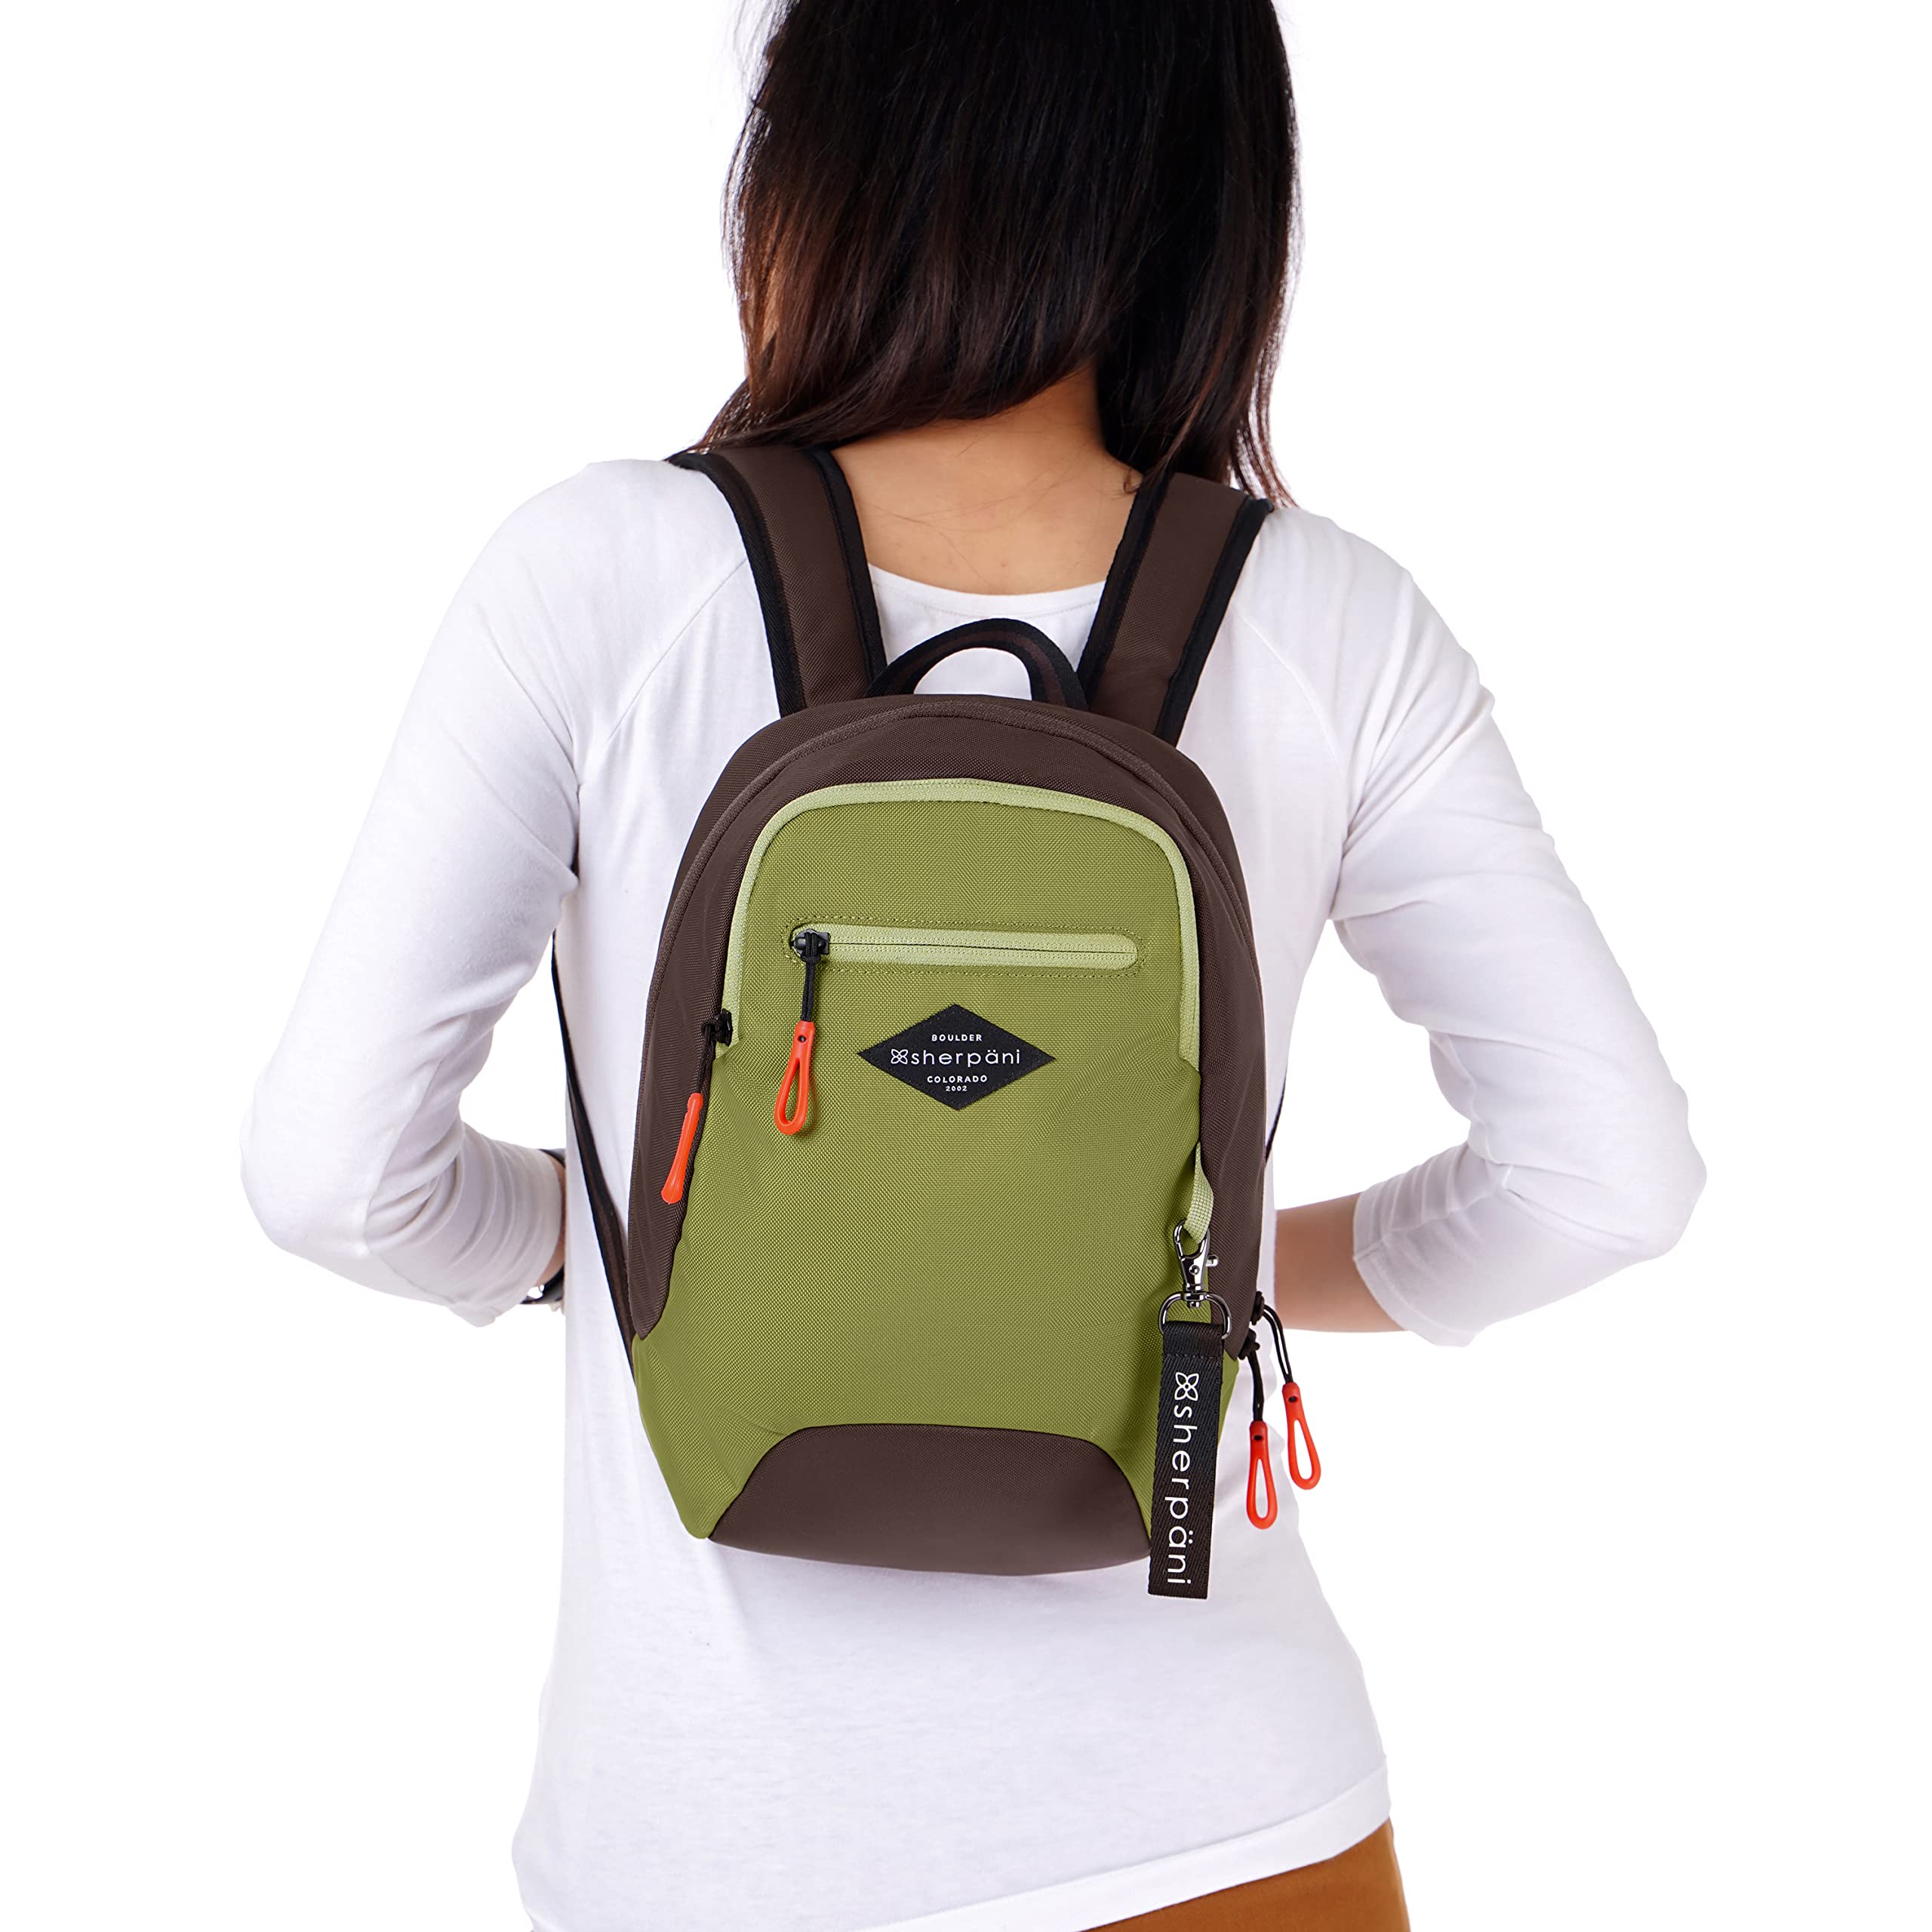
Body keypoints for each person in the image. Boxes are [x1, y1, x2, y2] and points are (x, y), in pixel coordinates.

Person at [240, 2, 1704, 1925]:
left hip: (712, 1851)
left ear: (815, 161)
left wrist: (616, 1243)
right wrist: (1194, 1272)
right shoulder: (1325, 614)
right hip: (1233, 1833)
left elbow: (334, 1172)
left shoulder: (602, 575)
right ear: (1207, 191)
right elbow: (1605, 1178)